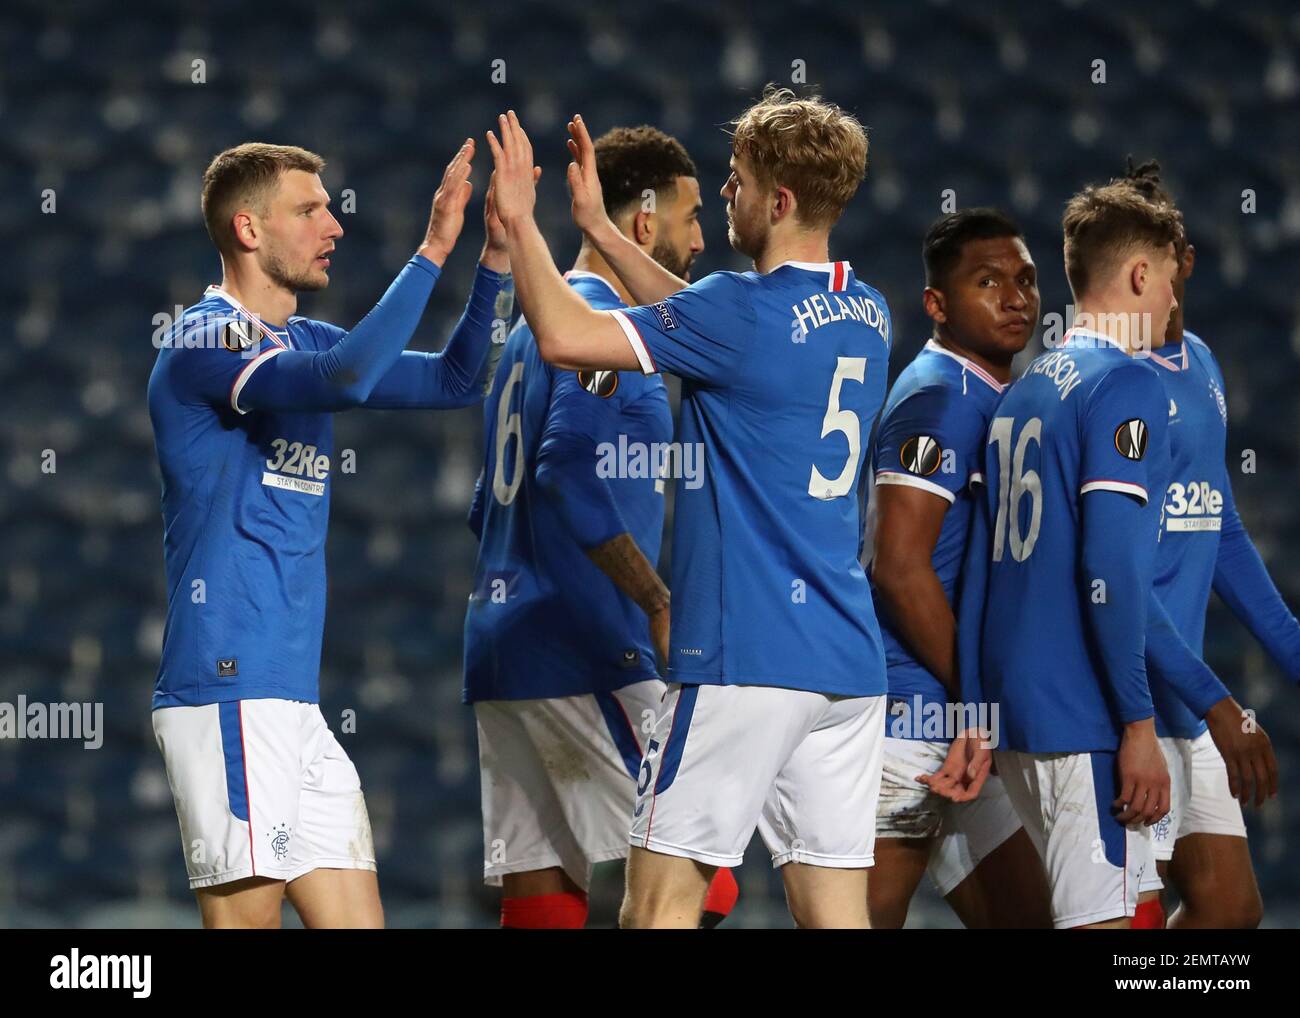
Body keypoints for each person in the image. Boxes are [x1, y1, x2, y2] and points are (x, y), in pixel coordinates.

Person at [487, 87, 892, 929]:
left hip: (745, 653)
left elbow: (566, 335)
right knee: (837, 918)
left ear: (778, 201)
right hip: (847, 665)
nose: (727, 200)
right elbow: (699, 320)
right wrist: (601, 231)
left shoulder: (735, 311)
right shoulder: (868, 311)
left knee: (657, 911)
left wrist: (525, 225)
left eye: (738, 184)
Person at [149, 139, 510, 928]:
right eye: (310, 209)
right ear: (249, 229)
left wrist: (495, 263)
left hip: (293, 703)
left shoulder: (306, 341)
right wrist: (432, 248)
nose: (334, 225)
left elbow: (459, 379)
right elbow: (347, 379)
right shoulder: (202, 342)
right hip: (228, 687)